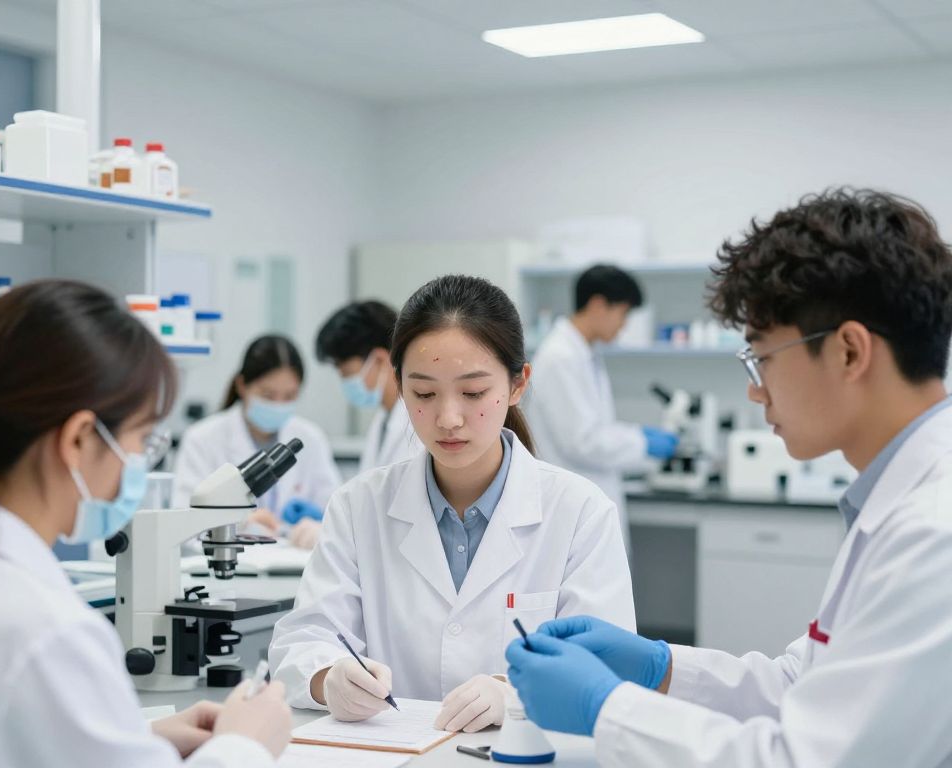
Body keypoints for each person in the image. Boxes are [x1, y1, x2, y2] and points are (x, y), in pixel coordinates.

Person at [506, 189, 952, 767]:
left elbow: (806, 760)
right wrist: (661, 667)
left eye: (762, 358)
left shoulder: (933, 533)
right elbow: (801, 682)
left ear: (848, 352)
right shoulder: (899, 504)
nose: (754, 390)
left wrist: (606, 708)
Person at [0, 280, 291, 767]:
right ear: (79, 439)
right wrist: (246, 745)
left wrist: (134, 738)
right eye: (141, 438)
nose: (138, 459)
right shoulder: (47, 631)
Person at [270, 274, 635, 735]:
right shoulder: (358, 507)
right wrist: (328, 678)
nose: (448, 418)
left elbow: (608, 665)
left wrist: (516, 693)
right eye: (424, 394)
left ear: (517, 384)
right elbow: (304, 639)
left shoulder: (581, 512)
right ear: (399, 385)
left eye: (473, 392)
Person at [526, 265, 679, 550]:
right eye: (623, 313)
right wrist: (642, 443)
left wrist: (637, 436)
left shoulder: (584, 354)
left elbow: (595, 427)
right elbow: (583, 442)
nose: (624, 325)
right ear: (598, 305)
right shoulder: (560, 358)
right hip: (571, 512)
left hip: (587, 502)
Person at [174, 335, 341, 550]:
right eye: (268, 395)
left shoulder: (311, 438)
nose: (278, 405)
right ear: (242, 385)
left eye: (289, 396)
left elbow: (335, 513)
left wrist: (318, 530)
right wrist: (237, 525)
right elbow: (183, 524)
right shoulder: (202, 439)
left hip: (294, 561)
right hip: (227, 561)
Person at [315, 300, 421, 471]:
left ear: (379, 359)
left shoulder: (418, 420)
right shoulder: (383, 420)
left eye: (345, 370)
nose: (344, 379)